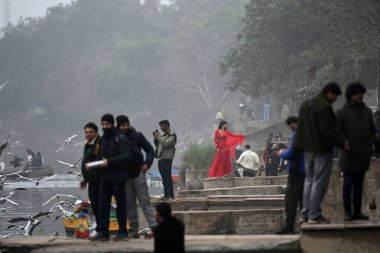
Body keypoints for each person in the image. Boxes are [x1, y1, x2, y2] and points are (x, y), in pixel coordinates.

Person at [293, 82, 349, 224]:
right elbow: (328, 131)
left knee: (309, 180)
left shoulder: (306, 104)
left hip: (307, 149)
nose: (335, 99)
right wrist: (342, 144)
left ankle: (305, 214)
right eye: (335, 96)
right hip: (321, 150)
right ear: (329, 93)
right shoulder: (325, 107)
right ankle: (314, 214)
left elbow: (301, 129)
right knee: (319, 181)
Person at [336, 82, 375, 221]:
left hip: (363, 154)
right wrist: (344, 143)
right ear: (351, 95)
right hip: (349, 154)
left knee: (359, 184)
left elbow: (372, 131)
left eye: (361, 94)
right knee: (347, 184)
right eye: (357, 94)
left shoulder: (367, 112)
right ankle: (348, 212)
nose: (360, 96)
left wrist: (369, 145)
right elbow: (338, 132)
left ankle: (357, 211)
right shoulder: (342, 113)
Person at [90, 114, 132, 241]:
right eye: (103, 124)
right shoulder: (102, 140)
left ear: (112, 124)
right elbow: (99, 158)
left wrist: (109, 162)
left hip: (118, 179)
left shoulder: (120, 138)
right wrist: (94, 165)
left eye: (107, 124)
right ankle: (104, 232)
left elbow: (126, 156)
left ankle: (123, 232)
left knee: (120, 206)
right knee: (103, 206)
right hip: (105, 179)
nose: (104, 126)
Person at [116, 115, 157, 238]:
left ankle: (154, 226)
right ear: (118, 126)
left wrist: (147, 164)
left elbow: (150, 150)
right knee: (130, 203)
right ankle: (134, 229)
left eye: (126, 125)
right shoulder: (116, 138)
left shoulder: (137, 136)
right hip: (124, 175)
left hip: (138, 172)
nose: (124, 127)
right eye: (122, 125)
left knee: (145, 200)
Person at [276, 116, 305, 234]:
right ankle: (304, 223)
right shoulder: (306, 133)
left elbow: (292, 153)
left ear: (292, 124)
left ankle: (289, 226)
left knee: (290, 200)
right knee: (303, 199)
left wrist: (282, 153)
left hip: (296, 171)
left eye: (289, 125)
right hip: (304, 171)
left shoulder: (297, 135)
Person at [79, 122, 101, 237]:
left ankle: (102, 230)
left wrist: (91, 170)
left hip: (100, 180)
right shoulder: (88, 144)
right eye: (86, 132)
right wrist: (85, 179)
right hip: (91, 180)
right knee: (95, 204)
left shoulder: (99, 144)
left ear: (96, 132)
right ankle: (99, 229)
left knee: (100, 205)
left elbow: (102, 161)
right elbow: (86, 163)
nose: (88, 134)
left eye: (90, 132)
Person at [153, 120, 177, 201]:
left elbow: (167, 144)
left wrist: (158, 137)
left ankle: (170, 195)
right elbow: (158, 145)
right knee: (164, 177)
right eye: (160, 126)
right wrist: (156, 138)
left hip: (167, 157)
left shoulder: (172, 135)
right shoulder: (163, 136)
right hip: (161, 157)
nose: (161, 128)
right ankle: (166, 194)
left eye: (162, 126)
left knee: (167, 176)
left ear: (167, 125)